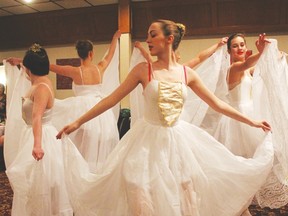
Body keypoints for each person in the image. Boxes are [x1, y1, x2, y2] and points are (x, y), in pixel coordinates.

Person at [56, 19, 274, 216]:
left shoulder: (187, 74)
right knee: (140, 191)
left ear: (169, 39)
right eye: (148, 35)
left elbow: (218, 104)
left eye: (153, 35)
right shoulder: (143, 70)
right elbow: (111, 100)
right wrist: (77, 122)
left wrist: (252, 122)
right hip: (145, 144)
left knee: (186, 192)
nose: (148, 40)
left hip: (179, 142)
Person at [7, 30, 121, 173]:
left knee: (79, 145)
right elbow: (110, 54)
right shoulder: (100, 67)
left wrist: (21, 61)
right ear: (91, 53)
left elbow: (46, 66)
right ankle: (99, 172)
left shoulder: (75, 71)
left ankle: (81, 172)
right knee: (100, 142)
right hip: (101, 112)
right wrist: (115, 39)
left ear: (79, 54)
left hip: (82, 111)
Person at [213, 33, 288, 214]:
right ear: (229, 50)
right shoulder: (233, 68)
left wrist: (276, 55)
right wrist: (264, 52)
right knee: (242, 167)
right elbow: (248, 63)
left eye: (242, 45)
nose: (240, 48)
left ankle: (242, 208)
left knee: (256, 162)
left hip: (250, 117)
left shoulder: (247, 70)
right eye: (235, 46)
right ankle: (240, 208)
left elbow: (261, 68)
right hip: (236, 122)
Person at [5, 44, 73, 215]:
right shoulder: (40, 82)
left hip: (40, 137)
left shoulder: (42, 87)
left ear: (29, 68)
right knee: (33, 185)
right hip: (33, 134)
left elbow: (37, 117)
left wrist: (37, 145)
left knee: (39, 185)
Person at [134, 36, 228, 68]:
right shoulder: (155, 68)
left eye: (173, 53)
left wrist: (218, 45)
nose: (170, 55)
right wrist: (140, 47)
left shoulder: (183, 69)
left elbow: (199, 58)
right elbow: (148, 57)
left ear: (178, 57)